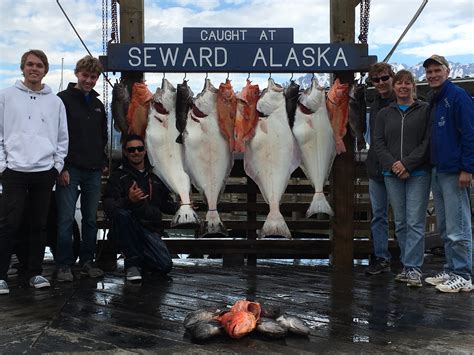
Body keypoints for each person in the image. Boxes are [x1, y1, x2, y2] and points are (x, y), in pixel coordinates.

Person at [0, 49, 69, 294]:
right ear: (22, 68)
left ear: (45, 70)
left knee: (39, 225)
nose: (34, 69)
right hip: (14, 171)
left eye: (39, 65)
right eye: (30, 64)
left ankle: (34, 272)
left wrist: (56, 166)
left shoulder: (55, 102)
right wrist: (3, 166)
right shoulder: (6, 96)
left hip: (43, 172)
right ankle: (1, 274)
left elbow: (62, 137)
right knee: (9, 223)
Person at [374, 69, 431, 287]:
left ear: (413, 87)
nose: (403, 87)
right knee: (400, 222)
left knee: (415, 222)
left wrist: (407, 163)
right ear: (395, 87)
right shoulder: (385, 113)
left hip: (418, 173)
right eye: (400, 83)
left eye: (408, 83)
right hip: (392, 173)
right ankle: (407, 267)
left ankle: (414, 268)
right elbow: (378, 143)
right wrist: (394, 165)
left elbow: (427, 141)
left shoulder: (424, 110)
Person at [422, 54, 473, 293]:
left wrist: (467, 168)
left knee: (458, 225)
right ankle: (452, 268)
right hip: (438, 169)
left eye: (436, 71)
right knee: (444, 225)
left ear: (447, 71)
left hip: (454, 171)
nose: (432, 75)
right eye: (429, 72)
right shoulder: (436, 99)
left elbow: (470, 134)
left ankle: (463, 273)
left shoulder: (458, 96)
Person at [55, 55, 108, 282]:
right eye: (85, 75)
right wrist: (61, 167)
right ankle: (64, 264)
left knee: (90, 219)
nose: (89, 80)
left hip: (94, 169)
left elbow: (102, 136)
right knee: (65, 218)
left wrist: (103, 160)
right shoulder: (61, 100)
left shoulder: (98, 104)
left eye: (93, 77)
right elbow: (55, 134)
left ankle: (87, 261)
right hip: (70, 168)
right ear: (77, 73)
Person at [103, 134, 177, 282]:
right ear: (125, 152)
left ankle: (141, 260)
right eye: (131, 150)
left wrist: (182, 207)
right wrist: (129, 200)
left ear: (145, 151)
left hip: (149, 229)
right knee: (122, 215)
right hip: (125, 229)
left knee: (165, 266)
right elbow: (109, 206)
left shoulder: (156, 176)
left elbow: (165, 205)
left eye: (139, 148)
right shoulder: (118, 176)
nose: (136, 152)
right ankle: (132, 265)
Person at [365, 62, 396, 275]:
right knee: (379, 216)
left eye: (385, 78)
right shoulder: (374, 103)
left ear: (392, 77)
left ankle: (409, 262)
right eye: (376, 80)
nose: (381, 83)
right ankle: (381, 257)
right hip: (376, 168)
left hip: (398, 168)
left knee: (404, 218)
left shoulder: (404, 99)